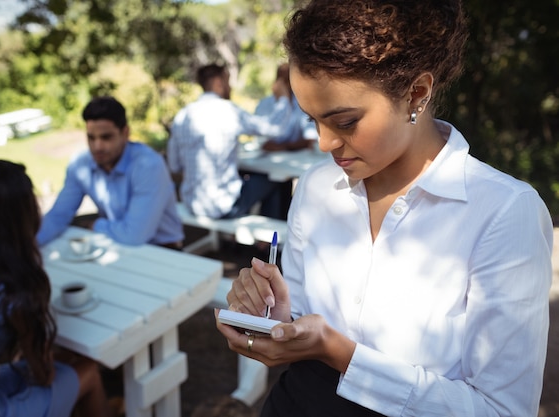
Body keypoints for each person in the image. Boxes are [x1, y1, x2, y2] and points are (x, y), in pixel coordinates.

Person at [215, 1, 553, 416]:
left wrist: (343, 354)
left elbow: (503, 410)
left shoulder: (503, 213)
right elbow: (305, 317)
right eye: (312, 119)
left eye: (344, 122)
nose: (324, 143)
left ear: (417, 93)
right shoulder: (317, 188)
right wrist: (274, 320)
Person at [0, 160, 112, 416]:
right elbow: (44, 375)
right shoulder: (16, 289)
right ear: (28, 216)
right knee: (88, 372)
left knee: (64, 365)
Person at [37, 96, 184, 249]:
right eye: (91, 137)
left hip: (162, 248)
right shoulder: (81, 165)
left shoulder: (148, 165)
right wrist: (27, 246)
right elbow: (58, 216)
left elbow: (135, 235)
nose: (97, 146)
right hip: (116, 243)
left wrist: (96, 225)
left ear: (125, 133)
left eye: (106, 137)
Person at [167, 63, 295, 220]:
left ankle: (260, 241)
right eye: (227, 81)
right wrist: (283, 98)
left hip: (192, 203)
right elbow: (275, 128)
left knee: (255, 181)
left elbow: (174, 165)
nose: (230, 87)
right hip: (223, 206)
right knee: (277, 180)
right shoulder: (228, 111)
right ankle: (267, 240)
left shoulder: (182, 116)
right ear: (218, 83)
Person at [254, 63, 318, 152]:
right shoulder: (264, 104)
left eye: (288, 80)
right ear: (277, 82)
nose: (286, 85)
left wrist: (283, 147)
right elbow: (262, 142)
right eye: (283, 81)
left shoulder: (304, 105)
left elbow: (311, 139)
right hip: (266, 159)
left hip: (295, 158)